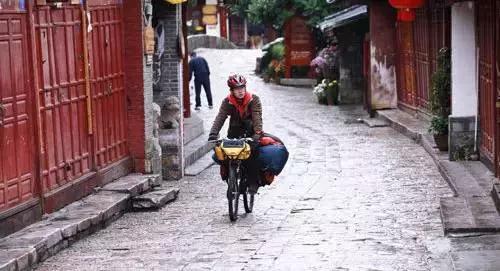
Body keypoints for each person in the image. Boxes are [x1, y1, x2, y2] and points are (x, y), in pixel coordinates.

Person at [208, 74, 263, 192]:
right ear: (231, 90)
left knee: (252, 155)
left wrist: (257, 134)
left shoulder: (254, 99)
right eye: (237, 89)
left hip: (251, 132)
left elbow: (257, 117)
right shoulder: (228, 102)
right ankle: (231, 178)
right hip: (234, 132)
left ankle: (252, 182)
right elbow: (220, 117)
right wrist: (213, 133)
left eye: (242, 88)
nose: (240, 91)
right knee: (226, 155)